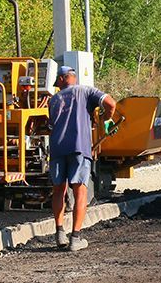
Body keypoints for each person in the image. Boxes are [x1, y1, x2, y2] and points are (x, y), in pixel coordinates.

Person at [49, 66, 116, 252]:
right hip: (79, 148)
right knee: (80, 191)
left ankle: (59, 232)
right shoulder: (86, 91)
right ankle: (75, 238)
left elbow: (50, 125)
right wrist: (106, 120)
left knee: (58, 190)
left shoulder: (53, 100)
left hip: (57, 149)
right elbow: (111, 104)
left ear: (62, 79)